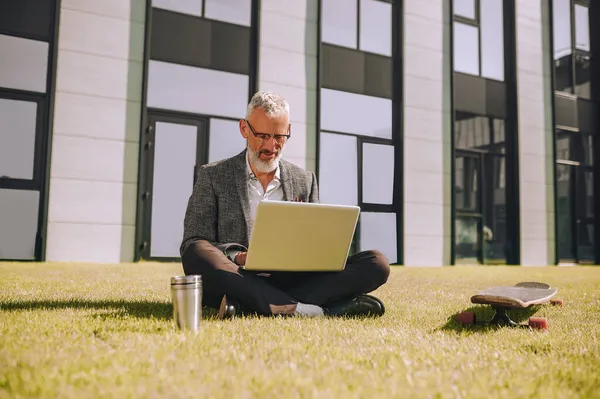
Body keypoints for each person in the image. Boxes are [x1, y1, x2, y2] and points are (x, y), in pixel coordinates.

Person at [180, 91, 390, 319]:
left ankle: (248, 303)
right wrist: (239, 257)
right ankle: (309, 308)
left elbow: (314, 240)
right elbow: (194, 239)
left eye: (279, 137)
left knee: (377, 263)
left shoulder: (304, 180)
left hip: (292, 277)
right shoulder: (213, 176)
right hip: (238, 274)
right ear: (244, 129)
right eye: (262, 135)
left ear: (288, 131)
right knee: (196, 252)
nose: (271, 145)